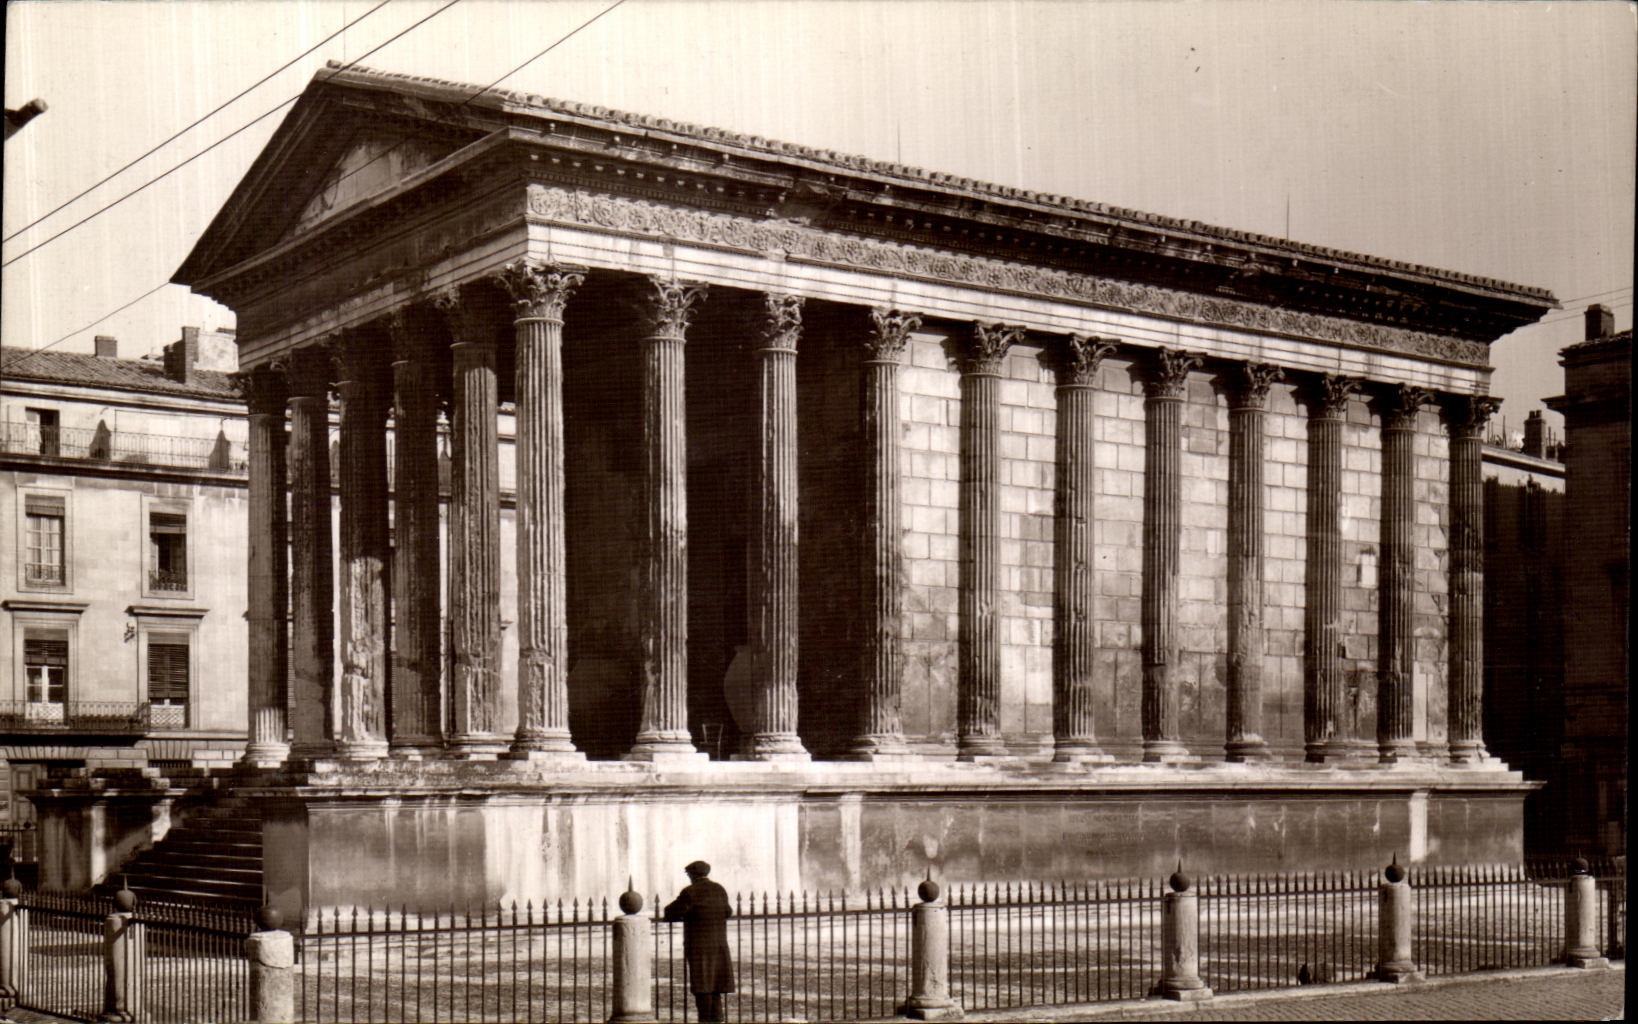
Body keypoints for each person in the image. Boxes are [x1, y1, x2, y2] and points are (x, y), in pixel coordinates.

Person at [664, 860, 735, 1022]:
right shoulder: (719, 889)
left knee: (702, 984)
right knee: (715, 984)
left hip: (698, 945)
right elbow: (728, 911)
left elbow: (671, 911)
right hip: (718, 944)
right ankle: (718, 1019)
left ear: (692, 875)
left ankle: (705, 1019)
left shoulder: (690, 892)